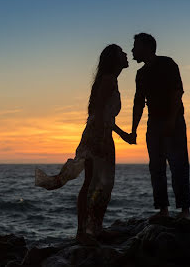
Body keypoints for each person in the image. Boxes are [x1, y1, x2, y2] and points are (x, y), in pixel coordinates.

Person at [35, 44, 135, 245]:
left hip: (103, 134)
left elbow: (106, 116)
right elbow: (97, 113)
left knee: (103, 183)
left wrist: (122, 134)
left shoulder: (110, 80)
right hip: (97, 136)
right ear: (114, 59)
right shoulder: (107, 81)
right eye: (122, 52)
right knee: (92, 183)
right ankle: (83, 231)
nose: (126, 55)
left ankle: (94, 228)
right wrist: (99, 139)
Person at [130, 33, 190, 220]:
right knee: (156, 167)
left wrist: (172, 120)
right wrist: (133, 130)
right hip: (153, 123)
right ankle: (163, 209)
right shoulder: (140, 74)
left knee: (178, 165)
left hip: (174, 121)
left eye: (135, 46)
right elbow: (138, 103)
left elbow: (177, 92)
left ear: (147, 48)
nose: (132, 50)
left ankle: (184, 211)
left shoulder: (167, 64)